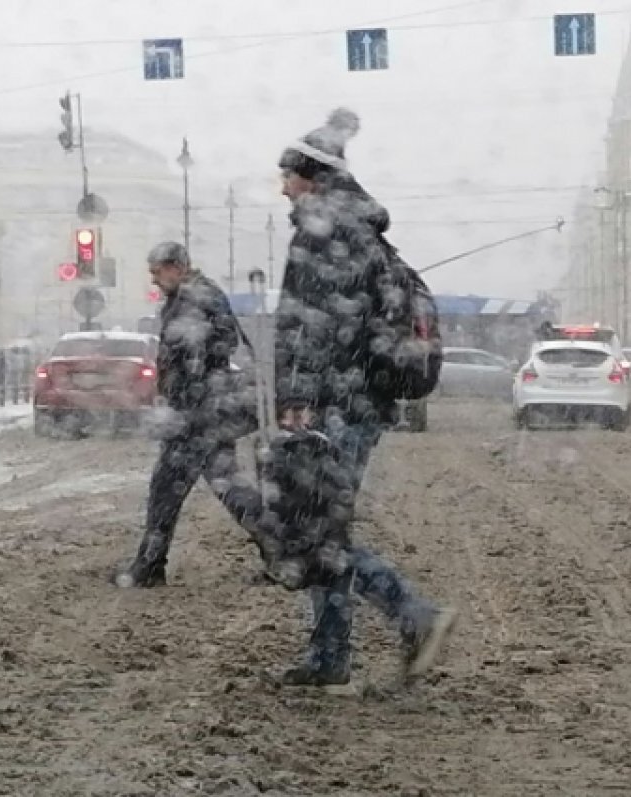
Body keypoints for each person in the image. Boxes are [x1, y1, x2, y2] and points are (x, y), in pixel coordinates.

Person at [271, 108, 456, 686]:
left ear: (311, 177)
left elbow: (313, 326)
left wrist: (298, 398)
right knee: (325, 528)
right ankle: (329, 658)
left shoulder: (324, 230)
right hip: (358, 398)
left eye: (288, 175)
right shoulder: (361, 230)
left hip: (337, 401)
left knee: (319, 534)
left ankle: (415, 614)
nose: (282, 187)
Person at [115, 242, 264, 588]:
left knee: (166, 489)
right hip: (203, 412)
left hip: (197, 414)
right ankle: (283, 553)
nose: (154, 280)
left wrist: (192, 383)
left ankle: (149, 566)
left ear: (177, 267)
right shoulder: (189, 296)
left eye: (157, 272)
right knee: (230, 487)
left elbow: (219, 344)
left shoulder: (197, 297)